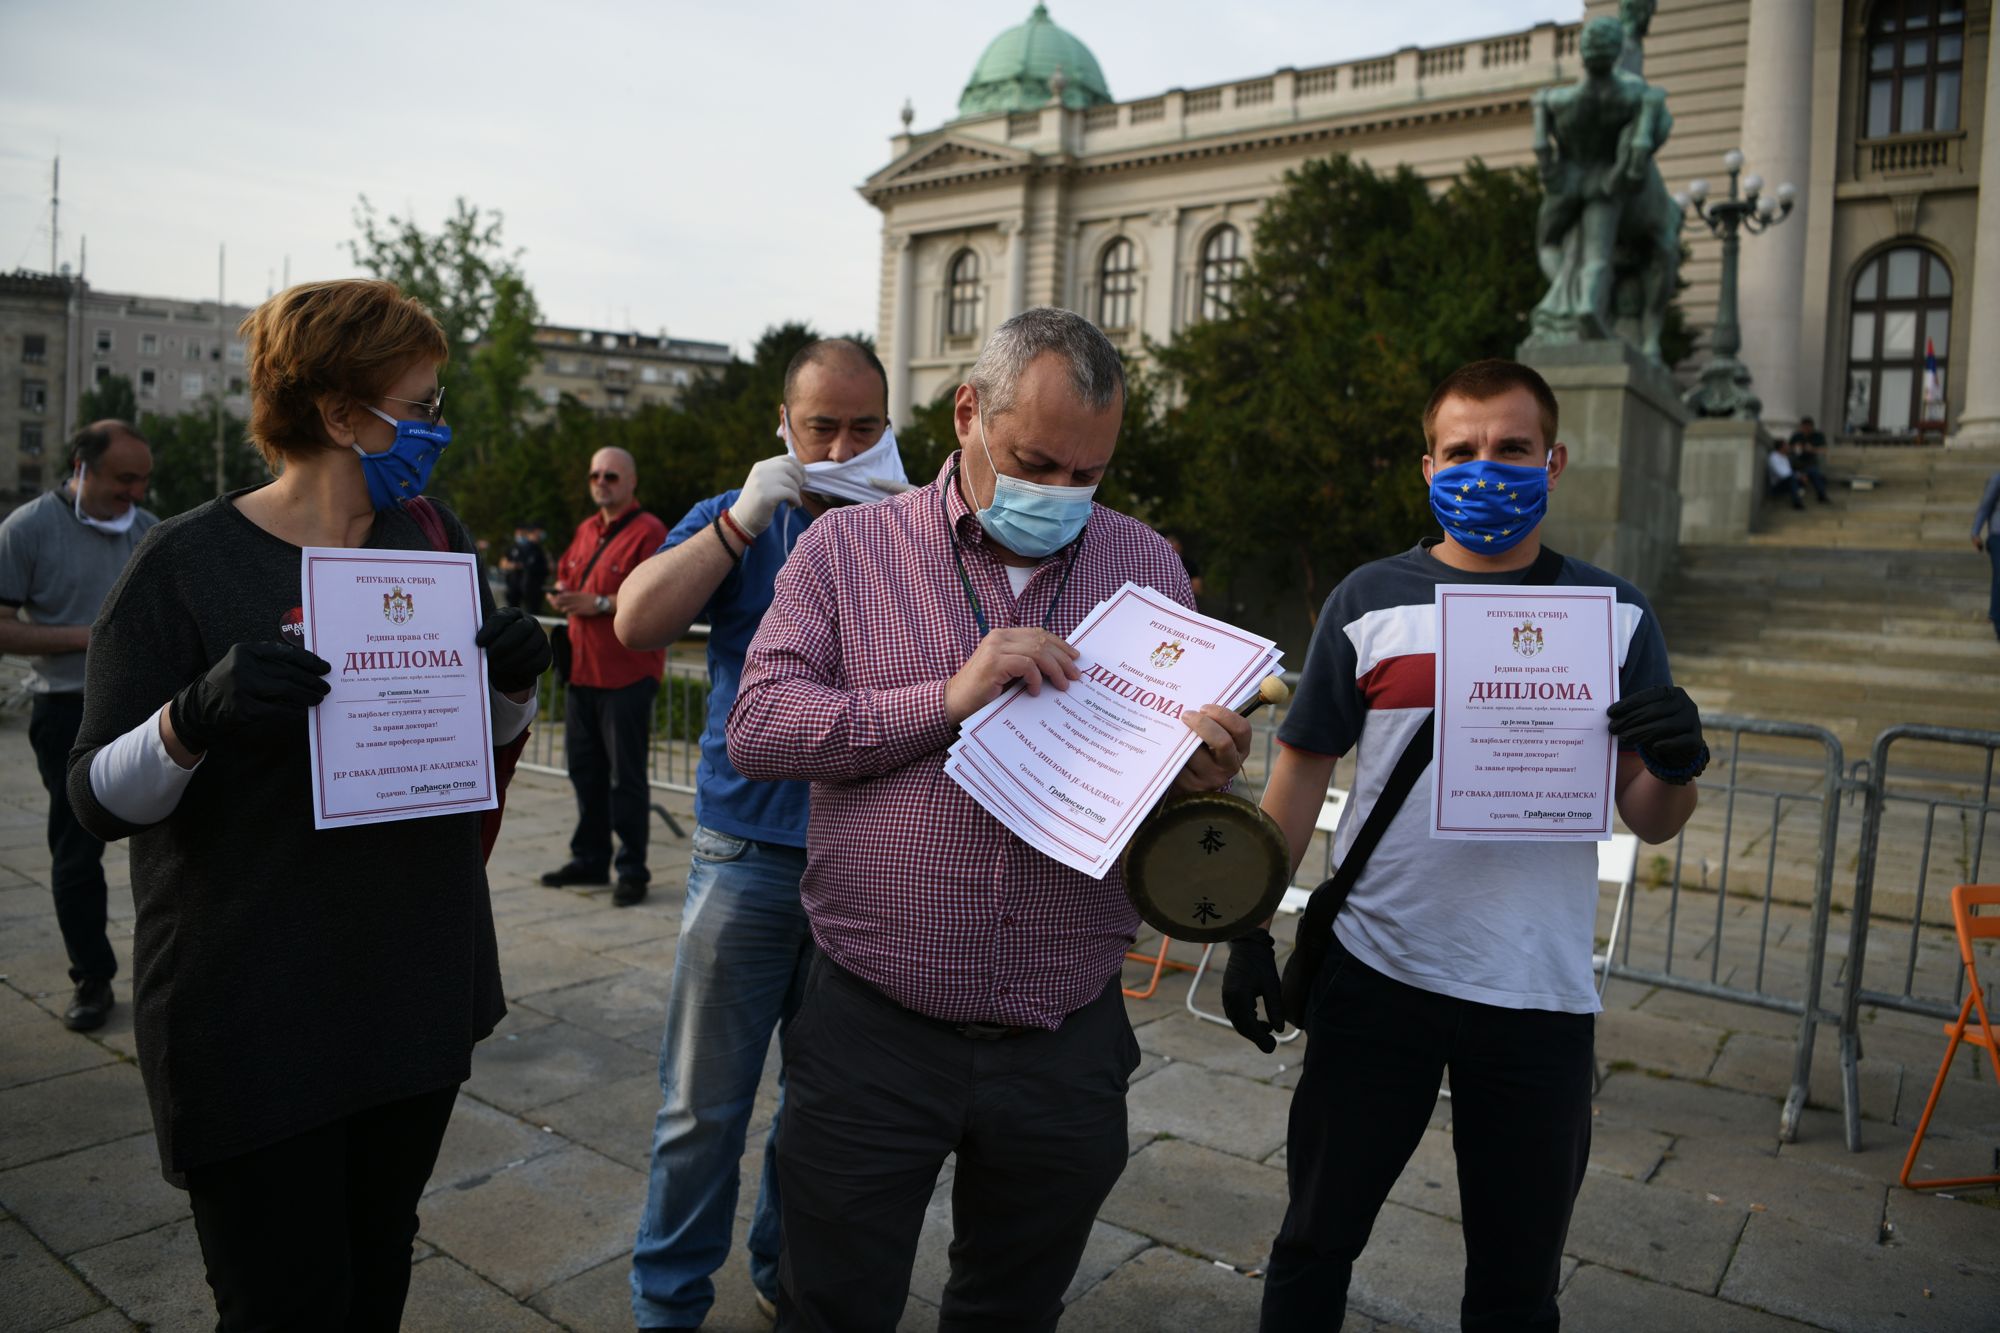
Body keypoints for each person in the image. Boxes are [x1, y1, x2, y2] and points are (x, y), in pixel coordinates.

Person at [727, 308, 1253, 1332]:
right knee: (830, 1303)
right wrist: (946, 696)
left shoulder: (1145, 564)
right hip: (873, 1029)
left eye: (1086, 474)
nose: (1061, 494)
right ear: (967, 412)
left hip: (1063, 1034)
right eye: (1035, 461)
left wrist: (1198, 781)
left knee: (1012, 1307)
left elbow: (1153, 797)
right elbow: (761, 728)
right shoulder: (846, 550)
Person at [63, 278, 550, 1330]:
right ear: (339, 413)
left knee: (375, 1276)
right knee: (285, 1303)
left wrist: (510, 687)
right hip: (255, 1012)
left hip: (411, 990)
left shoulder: (427, 539)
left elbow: (470, 750)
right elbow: (95, 797)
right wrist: (195, 716)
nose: (435, 428)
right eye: (419, 406)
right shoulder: (184, 564)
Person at [1224, 359, 1705, 1332]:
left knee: (1516, 1287)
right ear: (1425, 467)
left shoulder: (1613, 615)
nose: (1485, 468)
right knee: (1313, 1241)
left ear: (1553, 461)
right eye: (1461, 451)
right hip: (1377, 976)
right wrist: (1244, 929)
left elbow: (1648, 815)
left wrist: (1676, 762)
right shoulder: (1368, 601)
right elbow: (1298, 772)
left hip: (1536, 994)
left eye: (1511, 449)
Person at [616, 338, 906, 1329]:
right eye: (818, 424)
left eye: (861, 426)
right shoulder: (745, 516)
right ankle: (666, 1304)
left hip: (866, 856)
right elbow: (635, 623)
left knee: (821, 1109)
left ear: (889, 423)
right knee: (701, 1107)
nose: (838, 444)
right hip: (745, 851)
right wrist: (740, 519)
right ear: (781, 423)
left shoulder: (910, 524)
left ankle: (784, 1273)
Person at [0, 420, 156, 1030]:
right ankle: (92, 978)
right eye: (124, 479)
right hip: (67, 708)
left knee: (175, 844)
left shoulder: (147, 531)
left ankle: (175, 969)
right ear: (81, 467)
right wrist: (92, 638)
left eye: (143, 480)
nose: (136, 493)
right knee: (76, 851)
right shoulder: (27, 529)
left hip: (146, 708)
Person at [541, 448, 668, 906]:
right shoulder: (585, 530)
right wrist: (563, 595)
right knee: (585, 773)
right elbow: (567, 575)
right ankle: (590, 857)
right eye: (594, 474)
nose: (601, 482)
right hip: (583, 673)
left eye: (611, 475)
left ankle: (632, 868)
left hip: (627, 674)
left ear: (631, 482)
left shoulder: (649, 532)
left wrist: (596, 604)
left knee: (626, 779)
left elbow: (657, 594)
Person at [500, 520, 550, 610]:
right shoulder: (518, 548)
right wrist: (514, 566)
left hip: (532, 588)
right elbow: (504, 563)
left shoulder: (539, 549)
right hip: (518, 586)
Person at [1976, 466, 2000, 642]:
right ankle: (1998, 621)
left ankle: (1994, 613)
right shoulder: (1997, 479)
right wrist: (1975, 532)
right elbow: (1985, 506)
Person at [1785, 417, 1831, 503]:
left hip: (1811, 462)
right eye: (1803, 427)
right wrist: (1795, 448)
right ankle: (1797, 497)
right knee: (1796, 475)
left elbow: (1824, 449)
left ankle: (1821, 495)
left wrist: (1812, 449)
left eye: (1807, 427)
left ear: (1812, 427)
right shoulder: (1796, 436)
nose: (1805, 430)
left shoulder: (1818, 436)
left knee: (1814, 473)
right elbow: (1787, 449)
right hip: (1797, 463)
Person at [1766, 438, 1806, 509]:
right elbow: (1782, 474)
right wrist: (1798, 476)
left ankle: (1798, 495)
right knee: (1793, 478)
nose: (1788, 447)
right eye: (1786, 445)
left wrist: (1800, 476)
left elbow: (1789, 472)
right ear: (1781, 447)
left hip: (1786, 481)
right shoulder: (1774, 457)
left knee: (1802, 476)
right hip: (1777, 485)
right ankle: (1797, 503)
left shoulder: (1785, 457)